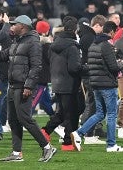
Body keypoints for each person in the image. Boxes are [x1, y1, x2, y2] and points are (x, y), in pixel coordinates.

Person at [0, 15, 56, 162]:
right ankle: (16, 153)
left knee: (25, 119)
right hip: (12, 86)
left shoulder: (33, 42)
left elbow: (36, 66)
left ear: (23, 26)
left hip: (23, 87)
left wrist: (28, 86)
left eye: (14, 25)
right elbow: (2, 55)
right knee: (13, 120)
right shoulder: (17, 41)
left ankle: (47, 147)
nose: (11, 27)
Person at [71, 21, 123, 152]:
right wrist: (121, 63)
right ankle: (111, 145)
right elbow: (113, 67)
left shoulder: (93, 44)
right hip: (107, 84)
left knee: (100, 113)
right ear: (112, 32)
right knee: (111, 114)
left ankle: (78, 133)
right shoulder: (106, 45)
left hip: (95, 83)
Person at [40, 16, 86, 151]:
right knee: (72, 114)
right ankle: (67, 143)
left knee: (65, 112)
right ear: (75, 29)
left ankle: (46, 131)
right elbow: (74, 67)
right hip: (70, 83)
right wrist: (87, 68)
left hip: (56, 82)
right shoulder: (72, 46)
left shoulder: (53, 45)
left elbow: (49, 61)